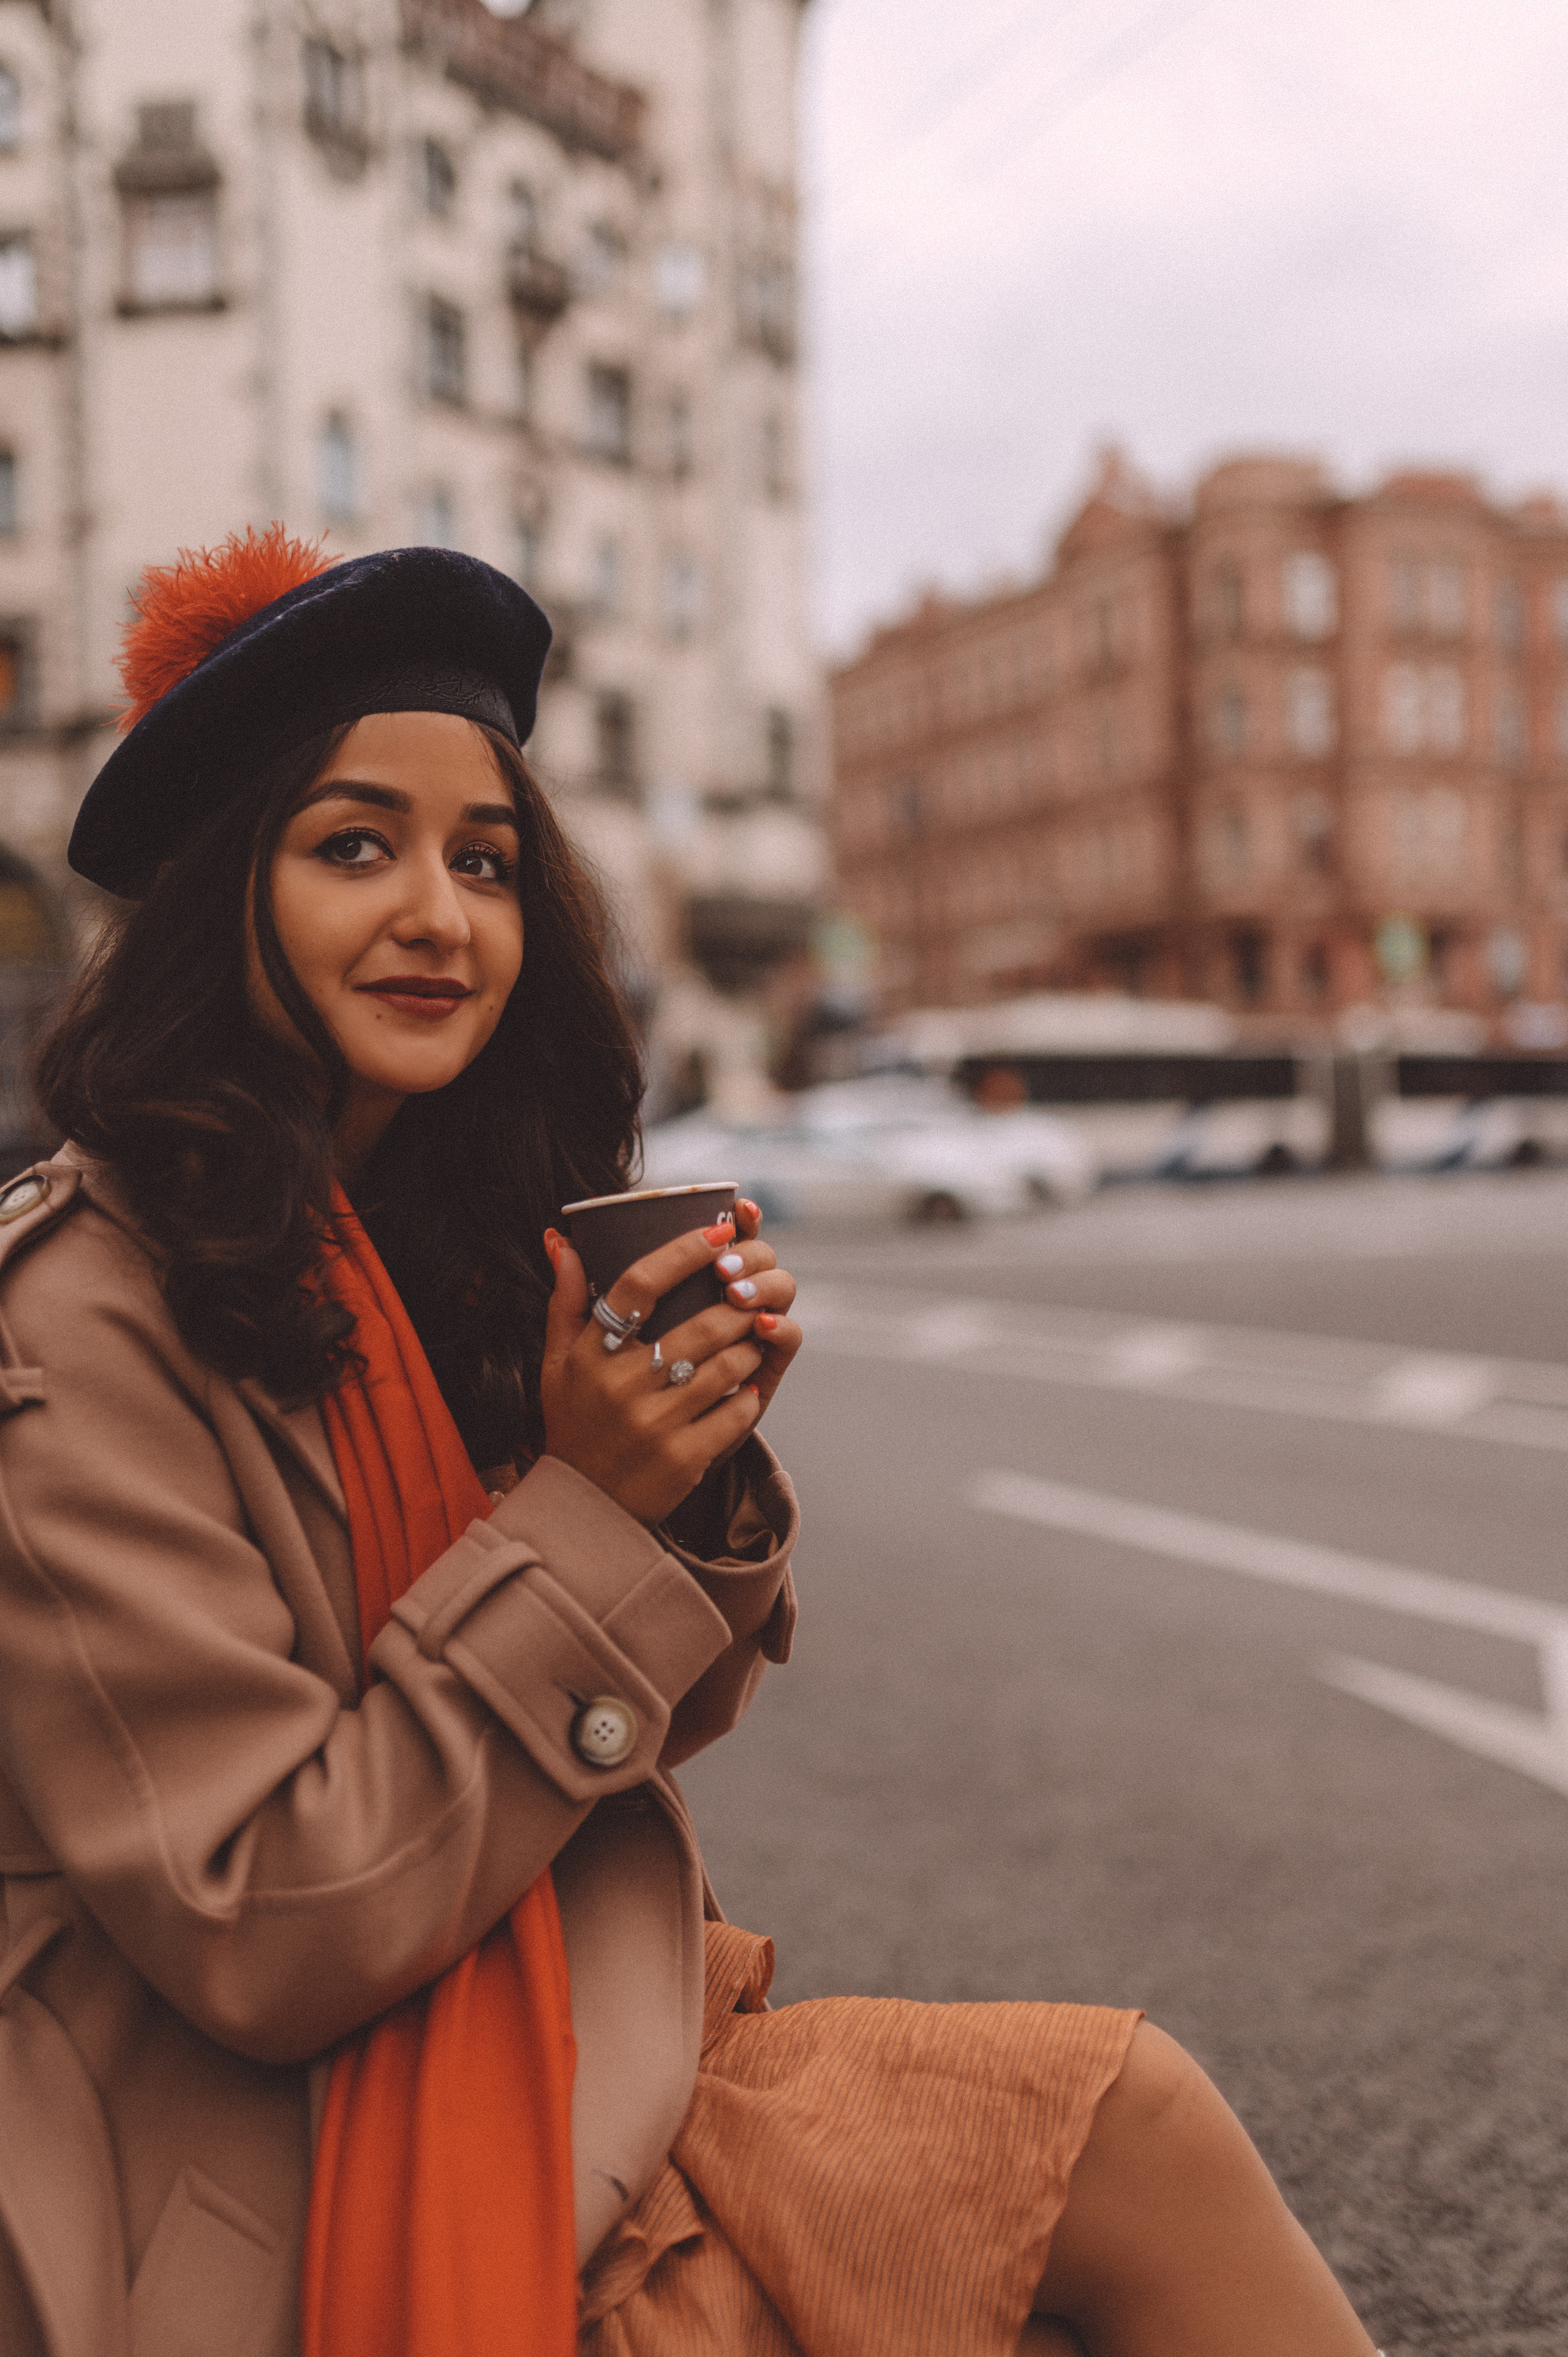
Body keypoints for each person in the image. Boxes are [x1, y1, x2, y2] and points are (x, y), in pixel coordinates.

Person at [0, 528, 1381, 2357]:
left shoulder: (414, 1236)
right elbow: (264, 1920)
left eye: (484, 860)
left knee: (1128, 2120)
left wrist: (684, 1466)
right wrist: (588, 1511)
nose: (441, 915)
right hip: (267, 2175)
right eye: (354, 846)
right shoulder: (71, 1319)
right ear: (209, 902)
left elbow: (635, 1730)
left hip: (534, 2026)